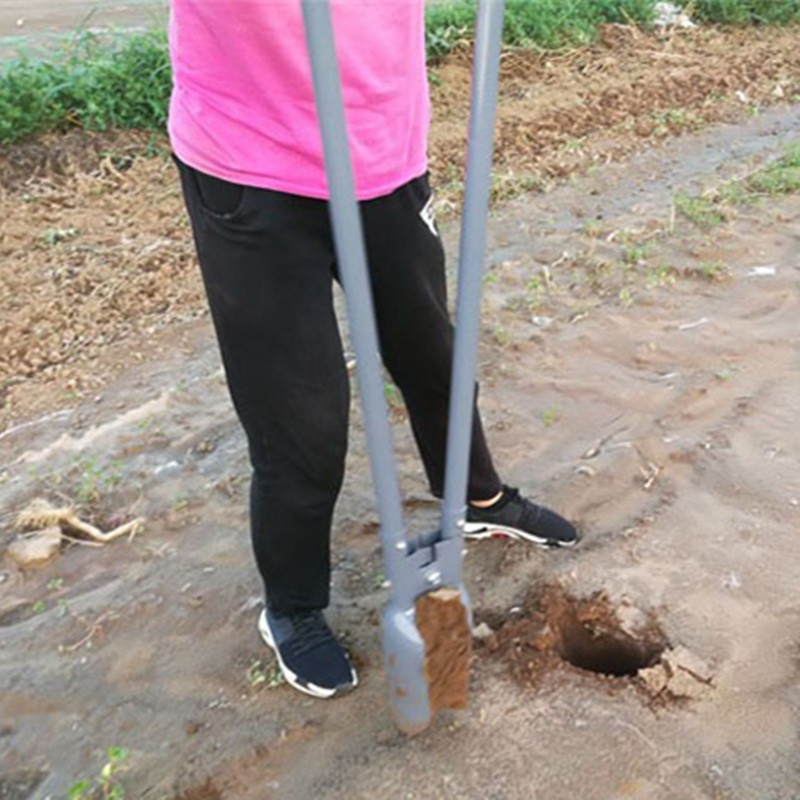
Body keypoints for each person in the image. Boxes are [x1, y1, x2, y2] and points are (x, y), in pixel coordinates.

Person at [167, 0, 578, 700]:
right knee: (301, 421)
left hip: (382, 145)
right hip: (252, 162)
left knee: (435, 359)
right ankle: (293, 607)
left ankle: (478, 499)